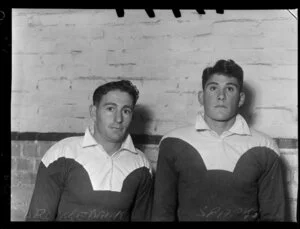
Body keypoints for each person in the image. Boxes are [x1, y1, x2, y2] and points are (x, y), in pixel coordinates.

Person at [152, 59, 285, 221]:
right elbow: (162, 213)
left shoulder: (265, 146)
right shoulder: (173, 142)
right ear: (201, 97)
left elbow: (274, 216)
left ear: (241, 98)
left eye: (229, 89)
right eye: (213, 88)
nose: (221, 96)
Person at [26, 80, 153, 221]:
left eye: (126, 111)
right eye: (110, 108)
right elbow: (38, 217)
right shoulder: (62, 153)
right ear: (94, 112)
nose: (118, 119)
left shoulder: (142, 165)